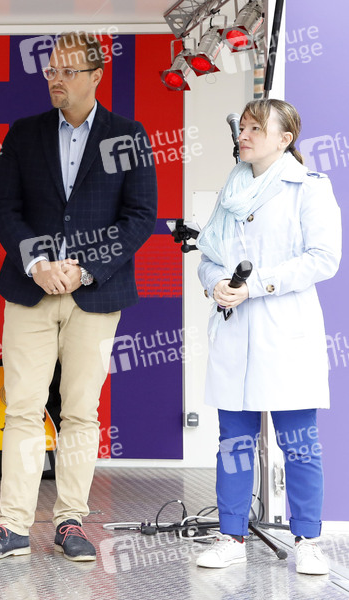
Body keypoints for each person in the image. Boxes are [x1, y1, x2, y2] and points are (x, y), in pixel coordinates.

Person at [0, 32, 157, 562]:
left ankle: (71, 521)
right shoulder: (24, 133)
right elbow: (3, 207)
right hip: (30, 289)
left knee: (80, 412)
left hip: (97, 292)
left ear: (96, 76)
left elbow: (140, 216)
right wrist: (38, 262)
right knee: (23, 408)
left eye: (68, 71)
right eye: (51, 70)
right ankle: (12, 526)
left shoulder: (127, 134)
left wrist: (86, 268)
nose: (56, 79)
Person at [195, 99, 339, 575]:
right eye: (244, 127)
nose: (244, 134)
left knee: (299, 444)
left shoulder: (309, 187)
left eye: (256, 128)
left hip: (285, 333)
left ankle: (309, 540)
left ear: (284, 138)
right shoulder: (232, 190)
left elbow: (323, 258)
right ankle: (231, 536)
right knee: (233, 444)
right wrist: (215, 282)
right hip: (235, 332)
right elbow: (209, 256)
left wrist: (255, 285)